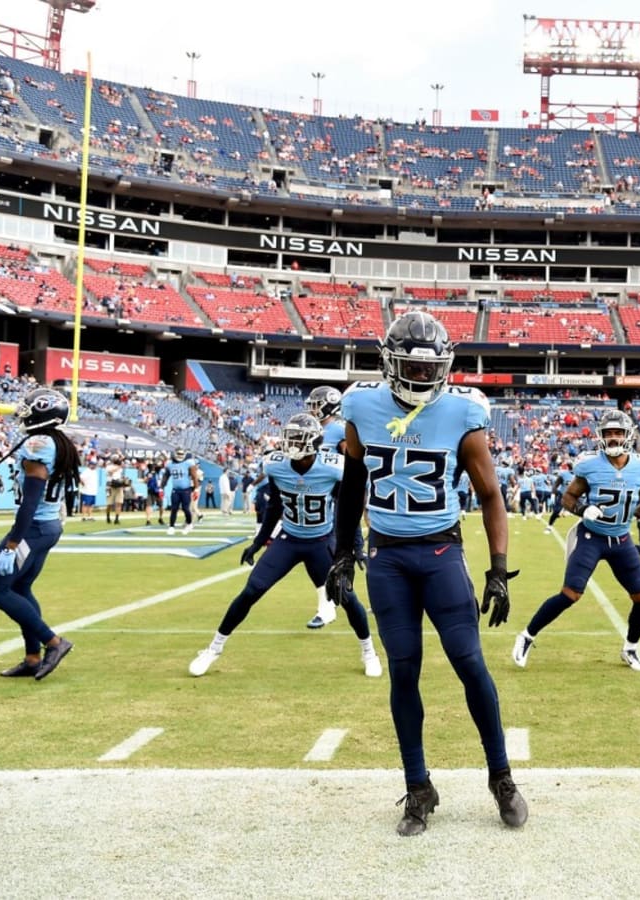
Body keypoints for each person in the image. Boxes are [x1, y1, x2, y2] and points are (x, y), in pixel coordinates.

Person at [326, 311, 527, 836]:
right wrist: (343, 552)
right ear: (389, 363)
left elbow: (490, 496)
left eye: (428, 368)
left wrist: (499, 570)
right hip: (388, 558)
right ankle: (419, 786)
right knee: (403, 669)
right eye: (410, 368)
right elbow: (351, 486)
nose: (419, 378)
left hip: (440, 554)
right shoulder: (361, 405)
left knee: (469, 662)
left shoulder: (463, 413)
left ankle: (501, 776)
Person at [187, 413, 382, 679]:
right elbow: (275, 505)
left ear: (314, 442)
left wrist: (354, 545)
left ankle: (369, 652)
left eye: (297, 439)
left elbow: (347, 508)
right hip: (288, 539)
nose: (291, 444)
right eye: (289, 438)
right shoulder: (276, 465)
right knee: (251, 591)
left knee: (346, 598)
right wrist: (258, 542)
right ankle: (213, 648)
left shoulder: (333, 466)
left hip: (322, 541)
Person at [512, 408, 640, 673]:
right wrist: (582, 509)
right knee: (571, 594)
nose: (613, 438)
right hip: (591, 536)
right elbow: (567, 498)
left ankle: (630, 648)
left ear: (628, 436)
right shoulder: (589, 465)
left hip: (622, 539)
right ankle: (527, 636)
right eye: (609, 433)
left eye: (618, 433)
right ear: (600, 436)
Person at [0, 388, 77, 680]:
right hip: (48, 527)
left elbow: (30, 501)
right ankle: (32, 658)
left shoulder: (39, 444)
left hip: (33, 528)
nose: (23, 413)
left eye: (29, 409)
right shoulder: (55, 441)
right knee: (21, 588)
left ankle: (53, 642)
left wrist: (13, 542)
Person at [304, 384, 364, 630]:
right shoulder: (313, 429)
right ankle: (328, 606)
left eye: (317, 404)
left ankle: (375, 599)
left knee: (354, 551)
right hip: (319, 500)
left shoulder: (339, 429)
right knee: (325, 556)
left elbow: (353, 463)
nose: (313, 409)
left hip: (339, 499)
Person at [163, 447, 200, 535]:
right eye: (178, 454)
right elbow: (166, 476)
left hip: (186, 489)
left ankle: (189, 523)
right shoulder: (169, 464)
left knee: (185, 508)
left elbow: (194, 477)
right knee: (174, 508)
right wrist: (161, 487)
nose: (180, 456)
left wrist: (196, 489)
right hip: (175, 490)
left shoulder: (188, 463)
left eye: (181, 454)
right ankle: (171, 527)